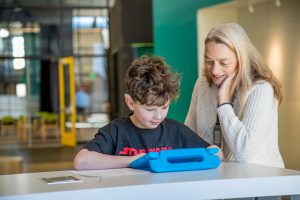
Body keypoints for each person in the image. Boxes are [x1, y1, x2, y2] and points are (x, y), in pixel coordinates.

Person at [74, 55, 223, 170]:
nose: (158, 116)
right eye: (150, 109)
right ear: (130, 102)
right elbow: (81, 162)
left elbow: (217, 153)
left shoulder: (176, 131)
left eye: (164, 107)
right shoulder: (116, 131)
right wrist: (134, 160)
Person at [185, 22, 284, 168]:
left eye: (224, 63)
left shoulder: (261, 89)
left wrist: (223, 102)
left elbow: (244, 152)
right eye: (209, 62)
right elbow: (187, 137)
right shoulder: (203, 84)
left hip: (260, 184)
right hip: (215, 182)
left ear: (242, 60)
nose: (215, 71)